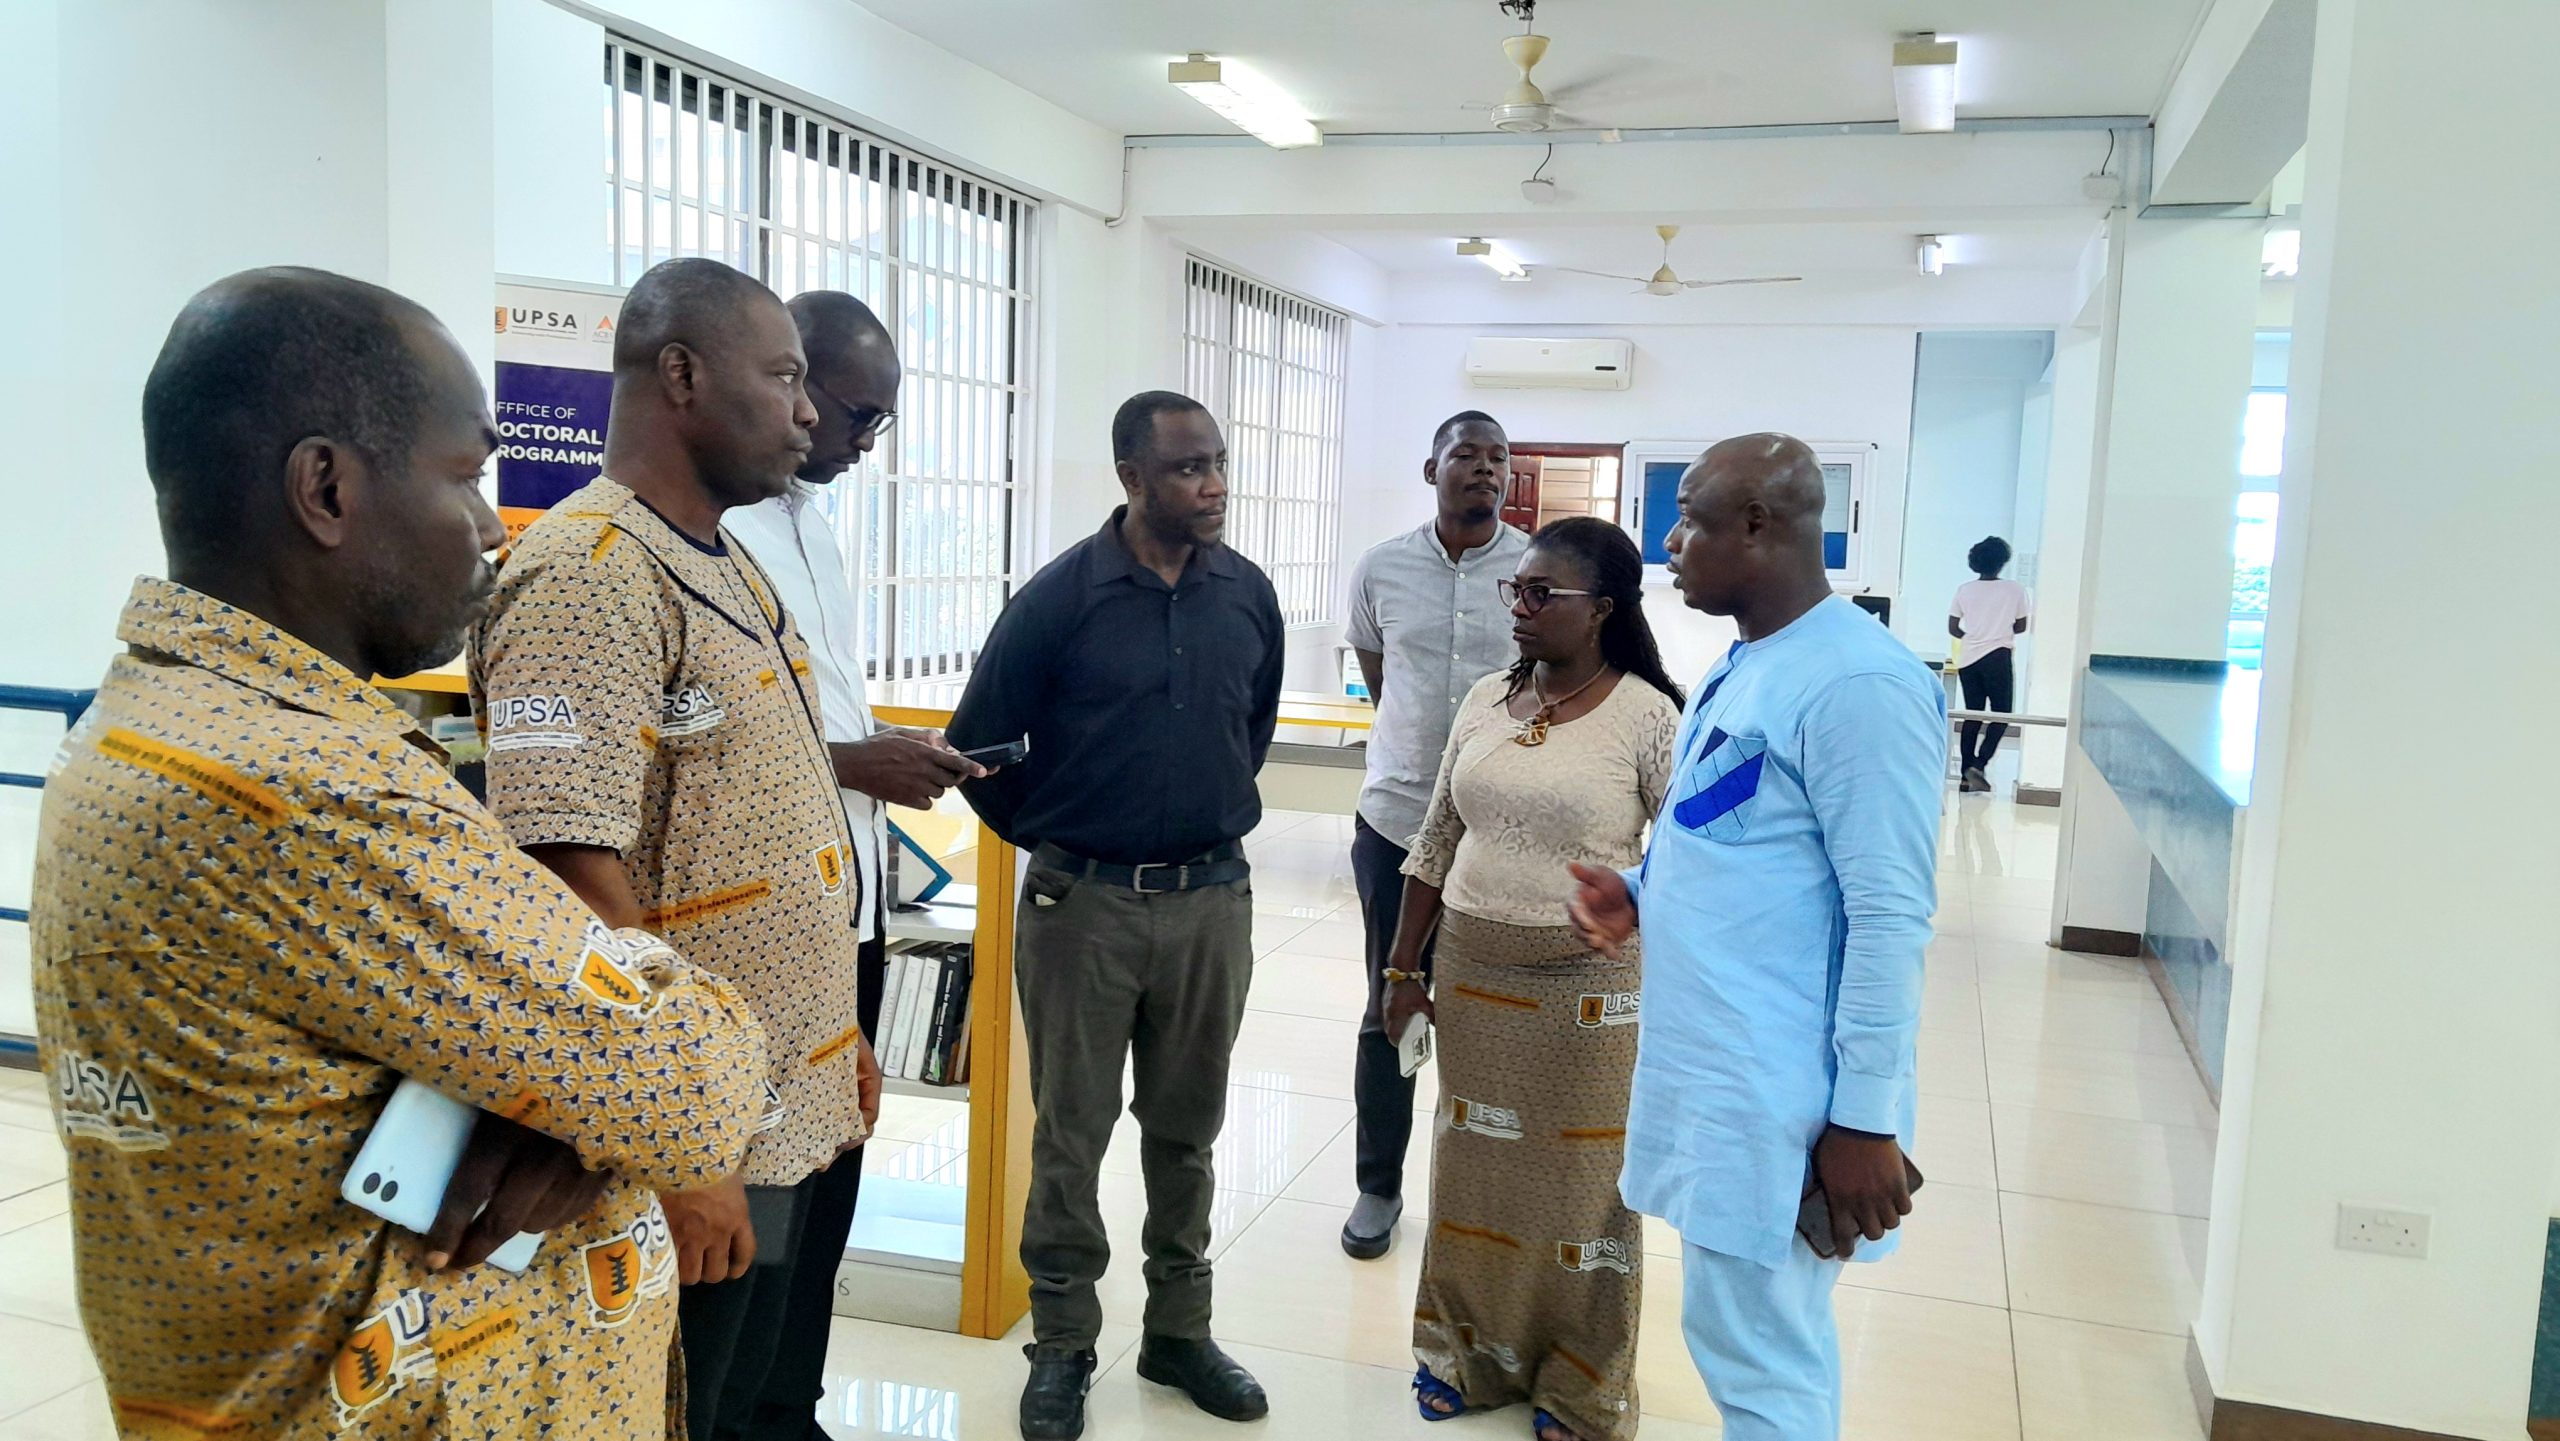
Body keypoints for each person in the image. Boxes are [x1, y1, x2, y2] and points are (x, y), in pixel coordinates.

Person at [29, 266, 772, 1438]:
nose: (490, 527)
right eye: (467, 477)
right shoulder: (306, 794)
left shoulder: (155, 717)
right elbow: (692, 1089)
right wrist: (602, 1099)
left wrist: (564, 1108)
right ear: (326, 488)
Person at [470, 257, 881, 1441]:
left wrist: (835, 1034)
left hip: (773, 1101)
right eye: (785, 378)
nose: (806, 414)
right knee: (684, 1404)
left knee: (749, 1396)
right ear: (683, 375)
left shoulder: (724, 557)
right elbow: (566, 878)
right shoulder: (587, 573)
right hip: (688, 1134)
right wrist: (680, 1151)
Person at [1569, 434, 1943, 1441]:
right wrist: (1640, 892)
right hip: (1721, 1073)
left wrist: (1863, 1120)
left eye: (1687, 519)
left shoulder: (1859, 685)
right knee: (1743, 1336)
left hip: (1786, 1094)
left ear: (1757, 526)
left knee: (1762, 1357)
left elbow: (1889, 917)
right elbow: (1739, 842)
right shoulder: (1747, 664)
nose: (1669, 543)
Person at [946, 391, 1284, 1441]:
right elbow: (979, 751)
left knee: (1188, 1133)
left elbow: (1249, 731)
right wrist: (1068, 838)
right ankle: (1061, 1346)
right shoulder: (1060, 599)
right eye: (1188, 468)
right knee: (1071, 1136)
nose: (1213, 485)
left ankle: (1179, 1332)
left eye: (1218, 462)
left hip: (1210, 902)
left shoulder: (1247, 595)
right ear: (1132, 478)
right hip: (1081, 906)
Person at [722, 290, 980, 1439]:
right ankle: (744, 1412)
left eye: (881, 420)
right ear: (786, 380)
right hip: (764, 924)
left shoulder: (812, 524)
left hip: (852, 908)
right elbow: (703, 749)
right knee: (765, 1201)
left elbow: (807, 711)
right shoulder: (713, 535)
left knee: (830, 1181)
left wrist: (877, 746)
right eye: (855, 412)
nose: (863, 440)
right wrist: (850, 761)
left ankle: (793, 1402)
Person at [1381, 518, 1682, 1441]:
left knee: (1585, 1183)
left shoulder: (1649, 716)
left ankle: (1580, 1380)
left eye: (1542, 592)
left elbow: (1686, 861)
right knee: (1474, 1169)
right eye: (1518, 587)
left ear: (1602, 610)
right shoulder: (1486, 698)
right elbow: (1436, 837)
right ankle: (1466, 1353)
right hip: (1474, 970)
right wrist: (1402, 967)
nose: (1520, 604)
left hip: (1587, 986)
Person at [1336, 409, 1530, 1260]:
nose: (1485, 469)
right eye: (1467, 455)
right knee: (1391, 998)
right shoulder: (1382, 567)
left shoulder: (1537, 570)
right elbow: (1382, 677)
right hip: (1397, 820)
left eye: (1498, 458)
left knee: (1494, 1018)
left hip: (1502, 831)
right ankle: (1378, 1185)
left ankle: (1489, 1195)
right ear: (1432, 469)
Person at [1947, 535, 2029, 793]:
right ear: (2002, 561)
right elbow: (2021, 626)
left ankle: (1965, 776)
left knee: (1972, 714)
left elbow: (1953, 627)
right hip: (1998, 656)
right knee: (2001, 715)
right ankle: (1979, 764)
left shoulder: (1964, 590)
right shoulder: (2015, 590)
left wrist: (1973, 637)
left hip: (1968, 658)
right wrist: (1997, 630)